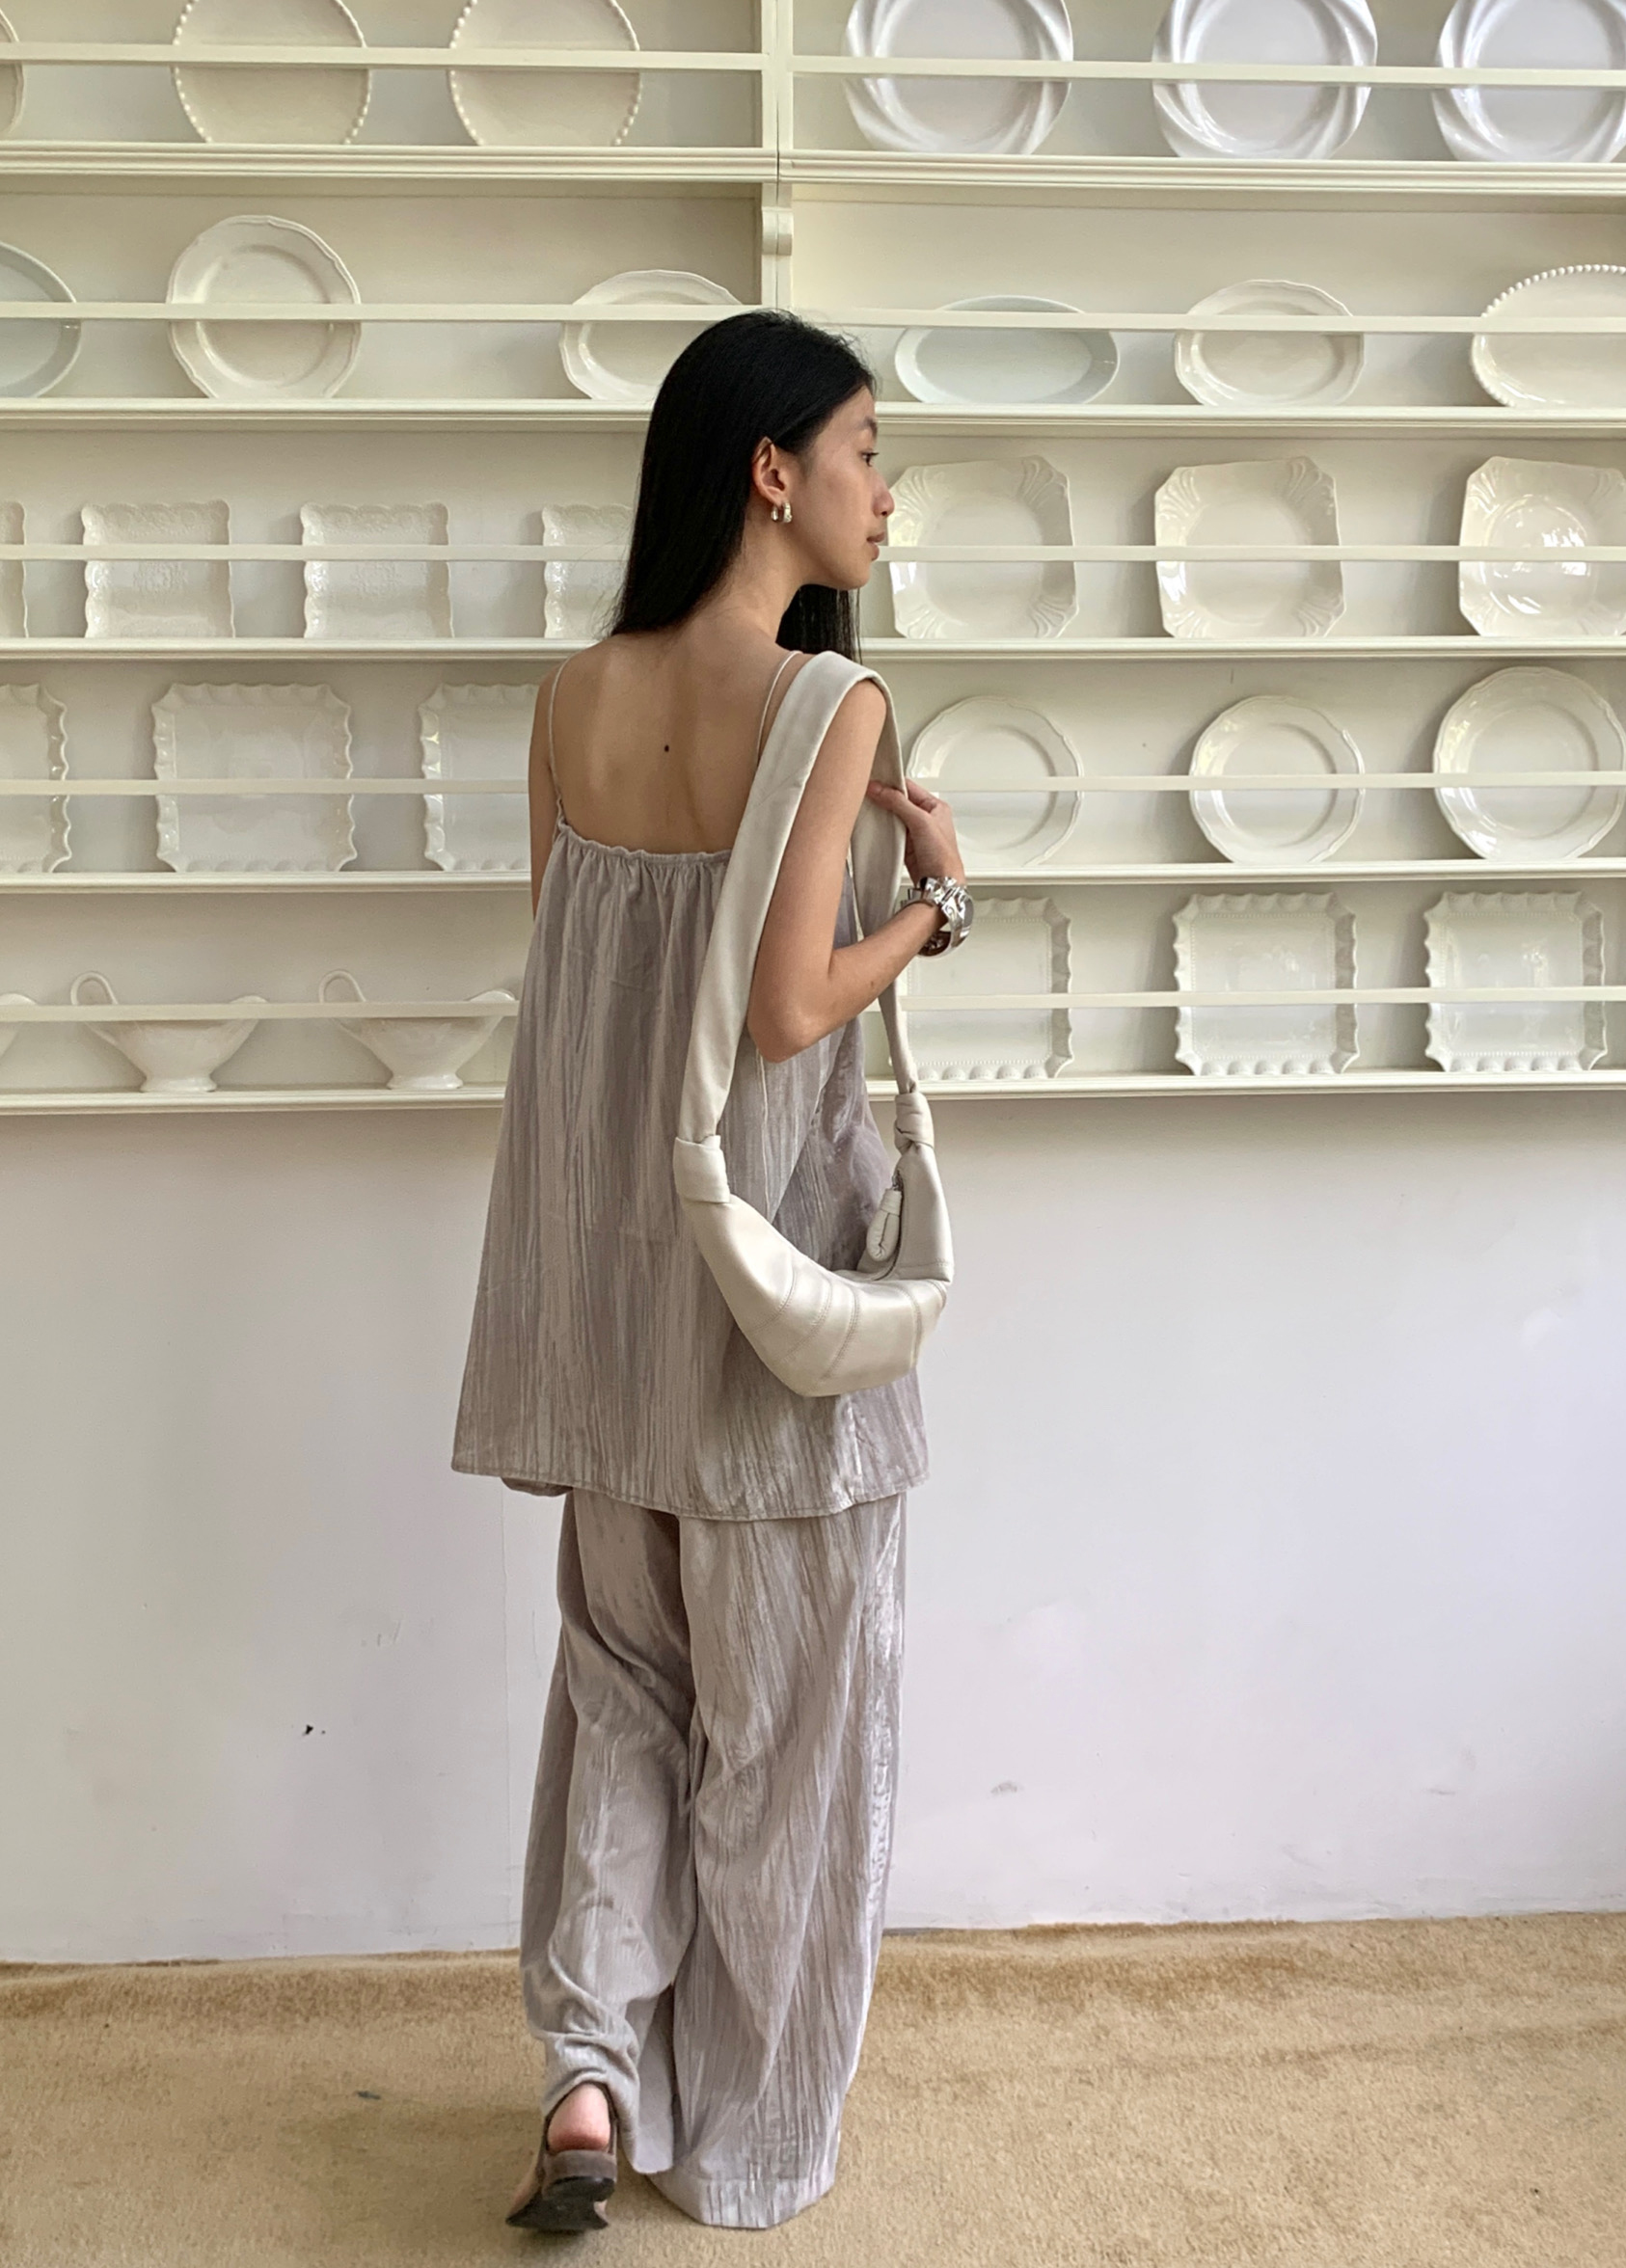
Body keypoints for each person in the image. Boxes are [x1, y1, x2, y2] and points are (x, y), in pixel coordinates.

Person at [450, 307, 969, 2233]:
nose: (882, 492)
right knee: (789, 1734)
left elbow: (580, 986)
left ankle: (592, 2076)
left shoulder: (571, 697)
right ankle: (743, 2142)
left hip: (605, 1302)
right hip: (766, 1294)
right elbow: (779, 1013)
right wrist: (936, 908)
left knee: (622, 1696)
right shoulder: (834, 706)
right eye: (863, 451)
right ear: (773, 472)